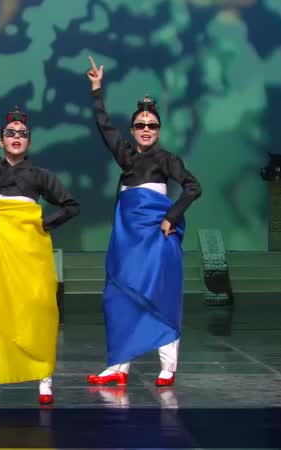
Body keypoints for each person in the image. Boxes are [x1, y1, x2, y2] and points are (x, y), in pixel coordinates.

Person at [84, 56, 201, 387]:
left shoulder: (166, 159)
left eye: (152, 125)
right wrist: (96, 89)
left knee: (160, 296)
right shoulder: (126, 156)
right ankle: (118, 366)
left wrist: (171, 217)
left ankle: (168, 366)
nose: (146, 129)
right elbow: (105, 127)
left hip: (157, 237)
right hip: (128, 239)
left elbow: (193, 187)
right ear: (133, 130)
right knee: (120, 295)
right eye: (140, 125)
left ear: (158, 130)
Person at [0, 60, 80, 405]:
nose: (16, 137)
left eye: (22, 134)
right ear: (1, 141)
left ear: (29, 141)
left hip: (29, 250)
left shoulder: (40, 175)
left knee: (37, 307)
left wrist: (43, 224)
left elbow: (71, 205)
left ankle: (44, 378)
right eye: (10, 133)